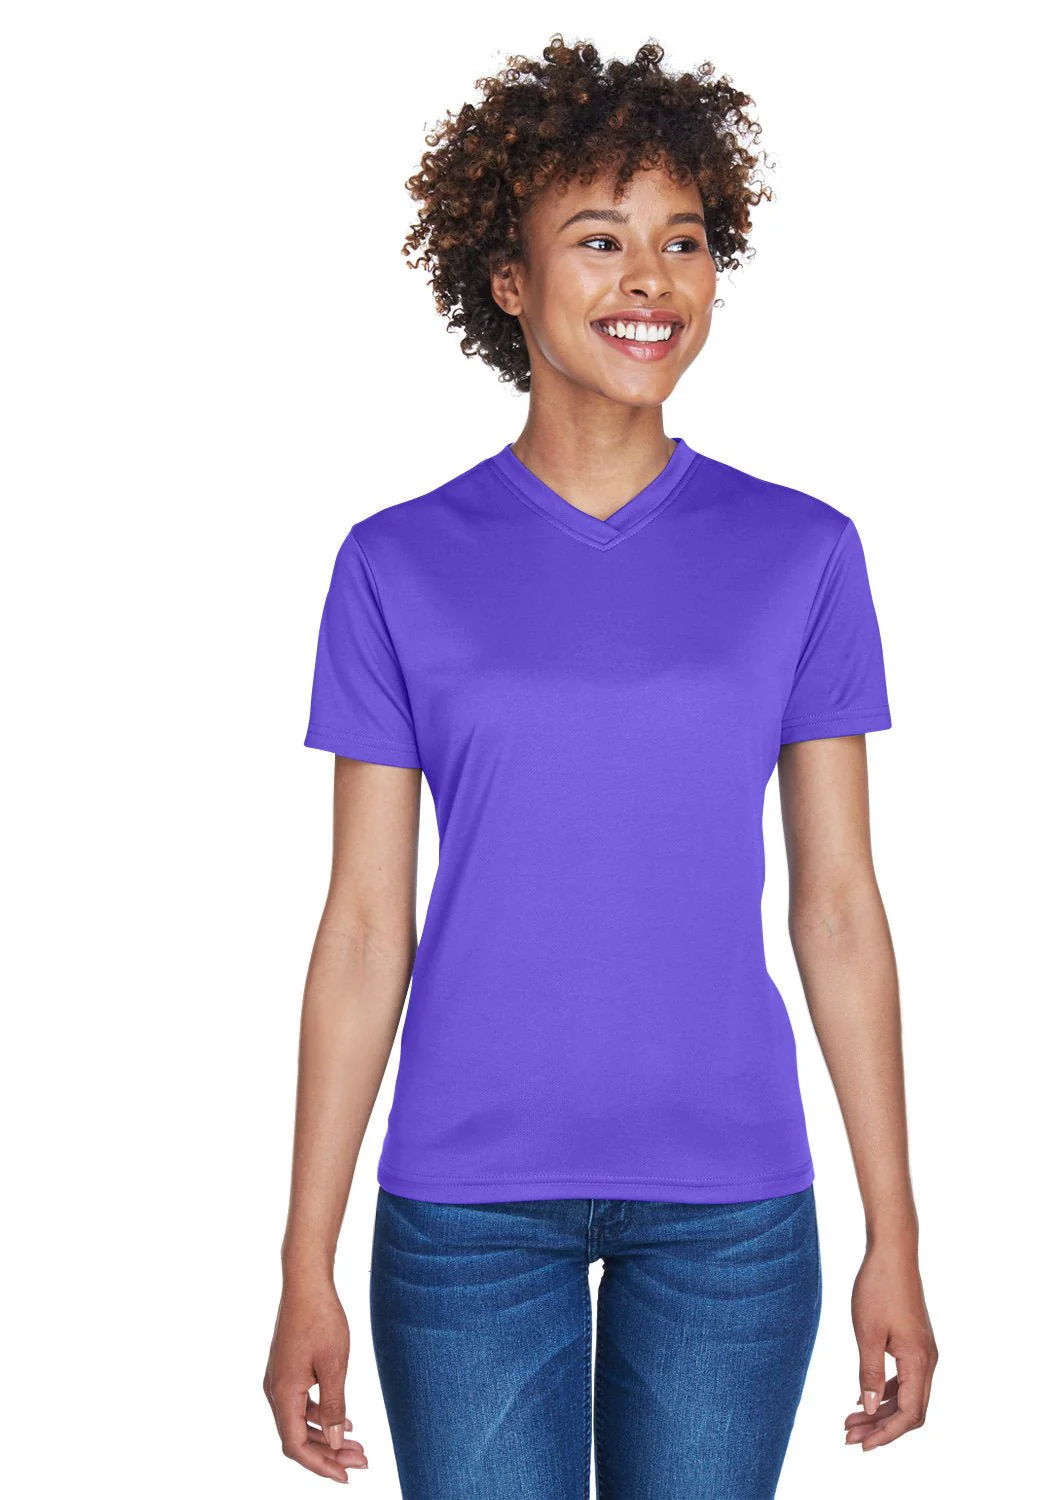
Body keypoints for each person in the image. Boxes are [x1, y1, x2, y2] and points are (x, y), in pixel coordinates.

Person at [264, 33, 937, 1497]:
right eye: (600, 239)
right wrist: (304, 1257)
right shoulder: (393, 565)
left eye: (683, 241)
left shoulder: (804, 553)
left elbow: (838, 907)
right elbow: (365, 924)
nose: (652, 280)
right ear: (508, 280)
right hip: (464, 1211)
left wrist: (896, 1231)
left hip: (731, 1213)